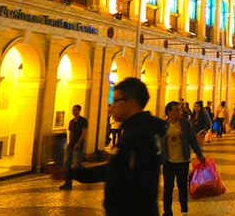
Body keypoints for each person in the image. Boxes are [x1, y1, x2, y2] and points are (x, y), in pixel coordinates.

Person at [70, 77, 166, 216]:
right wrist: (74, 173)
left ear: (132, 102)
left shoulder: (139, 134)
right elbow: (116, 169)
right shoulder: (137, 130)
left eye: (116, 100)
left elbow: (137, 184)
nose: (112, 105)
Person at [162, 101, 205, 216]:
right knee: (168, 188)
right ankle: (167, 211)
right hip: (168, 161)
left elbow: (192, 139)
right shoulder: (164, 125)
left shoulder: (185, 124)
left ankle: (184, 209)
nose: (179, 112)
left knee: (182, 186)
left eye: (179, 110)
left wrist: (199, 154)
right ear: (168, 112)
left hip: (182, 161)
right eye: (176, 110)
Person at [59, 104, 88, 190]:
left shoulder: (83, 121)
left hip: (78, 146)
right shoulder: (71, 122)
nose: (74, 112)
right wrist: (69, 142)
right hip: (70, 145)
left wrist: (79, 143)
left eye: (75, 110)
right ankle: (67, 182)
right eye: (73, 110)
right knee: (66, 164)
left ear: (79, 111)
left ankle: (86, 175)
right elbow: (70, 132)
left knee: (76, 165)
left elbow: (84, 132)